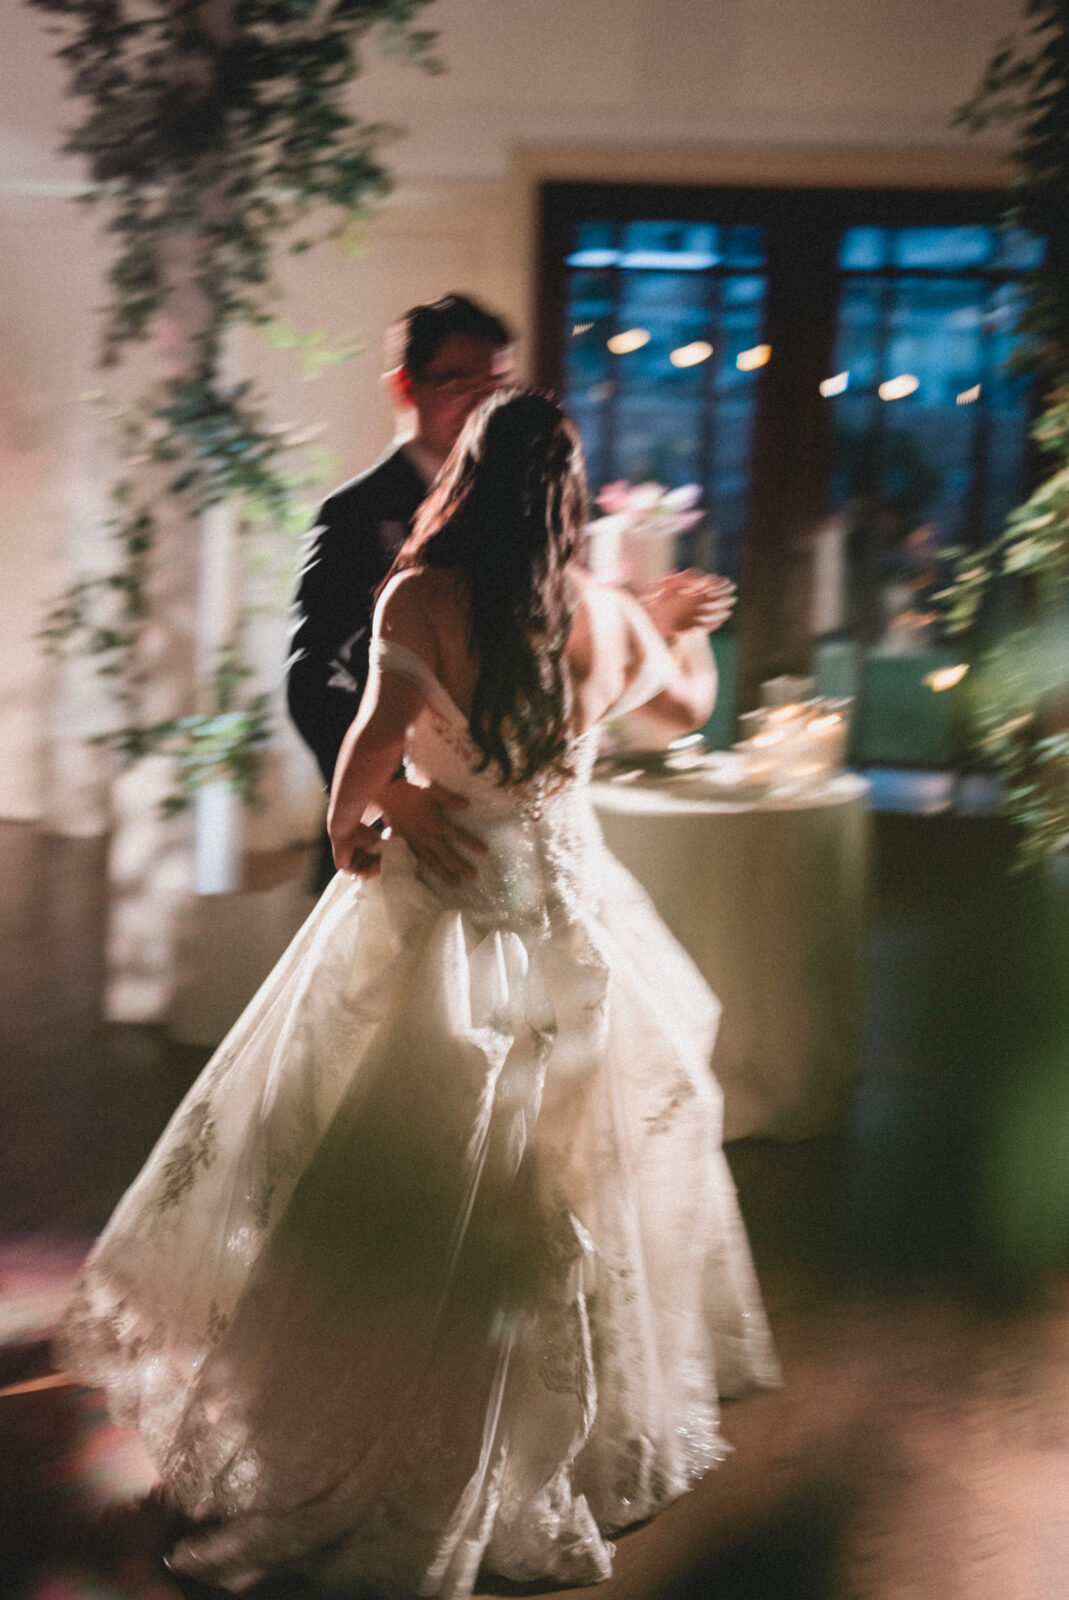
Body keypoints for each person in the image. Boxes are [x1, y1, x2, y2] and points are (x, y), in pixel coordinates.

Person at [58, 390, 778, 1596]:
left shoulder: (424, 595)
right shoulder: (598, 613)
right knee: (552, 1172)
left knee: (401, 1158)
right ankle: (556, 1423)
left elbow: (368, 753)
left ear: (472, 480)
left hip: (445, 907)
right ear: (568, 499)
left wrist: (366, 820)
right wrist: (682, 623)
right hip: (573, 912)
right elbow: (682, 711)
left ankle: (378, 1407)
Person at [287, 292, 515, 891]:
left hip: (499, 819)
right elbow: (312, 673)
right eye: (457, 382)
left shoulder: (519, 510)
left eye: (496, 384)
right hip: (392, 814)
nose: (481, 402)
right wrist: (386, 792)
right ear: (403, 387)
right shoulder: (353, 514)